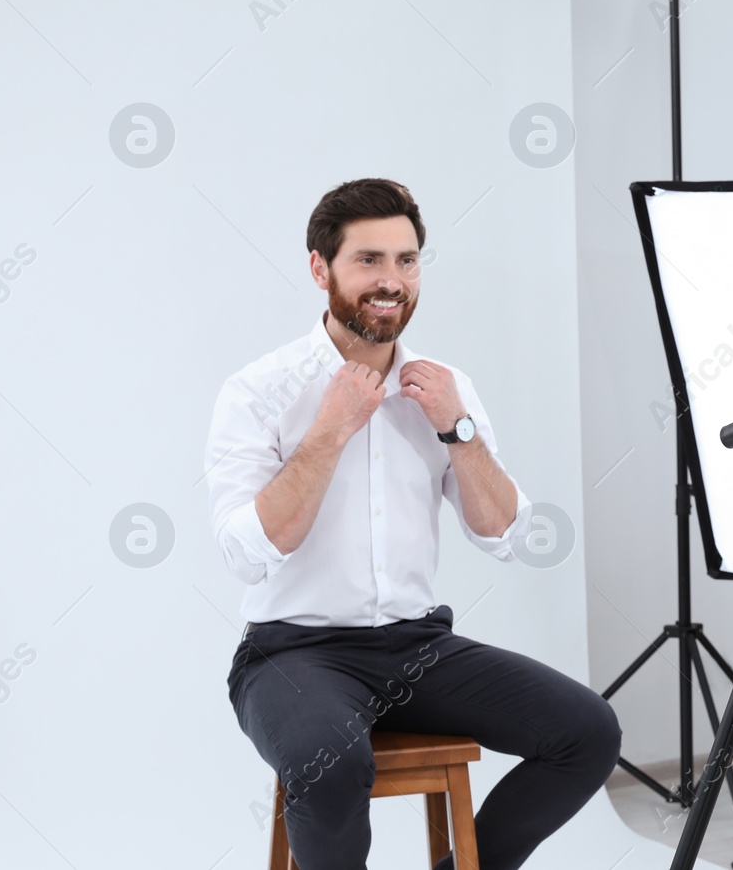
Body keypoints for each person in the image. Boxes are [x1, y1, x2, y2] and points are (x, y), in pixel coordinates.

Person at [205, 178, 620, 870]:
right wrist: (329, 432)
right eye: (369, 259)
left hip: (416, 648)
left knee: (587, 732)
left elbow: (503, 535)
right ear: (320, 268)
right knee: (329, 762)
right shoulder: (258, 390)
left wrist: (457, 429)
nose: (391, 280)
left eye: (407, 260)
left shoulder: (444, 386)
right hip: (292, 654)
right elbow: (247, 554)